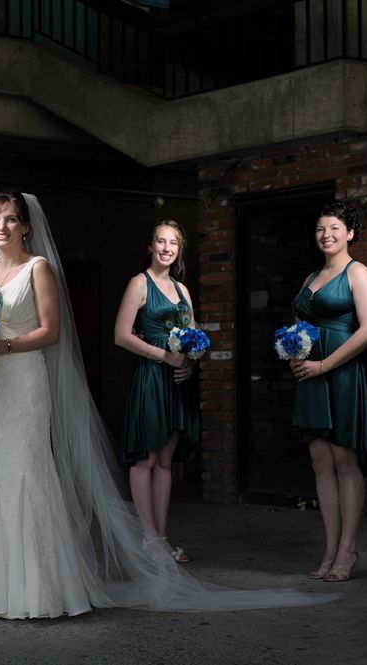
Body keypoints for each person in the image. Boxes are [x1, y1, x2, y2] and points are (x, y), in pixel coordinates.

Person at [0, 192, 337, 618]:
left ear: (26, 225)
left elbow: (51, 332)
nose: (2, 227)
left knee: (26, 472)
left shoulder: (39, 269)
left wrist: (1, 344)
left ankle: (35, 589)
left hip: (22, 382)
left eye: (11, 219)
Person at [289, 201, 367, 583]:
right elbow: (299, 324)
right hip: (311, 374)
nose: (326, 235)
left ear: (350, 233)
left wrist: (325, 364)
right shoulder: (311, 276)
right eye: (320, 229)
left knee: (345, 461)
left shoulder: (357, 272)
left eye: (334, 228)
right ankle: (329, 549)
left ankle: (349, 550)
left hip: (342, 374)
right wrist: (295, 352)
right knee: (320, 462)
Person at [114, 221, 199, 563]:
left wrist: (190, 363)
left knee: (165, 461)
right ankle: (147, 541)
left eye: (173, 243)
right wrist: (163, 355)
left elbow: (193, 336)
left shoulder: (182, 290)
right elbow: (121, 335)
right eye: (160, 242)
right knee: (146, 458)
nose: (166, 248)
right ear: (150, 246)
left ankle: (161, 540)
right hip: (151, 378)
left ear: (179, 250)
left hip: (176, 382)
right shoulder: (139, 284)